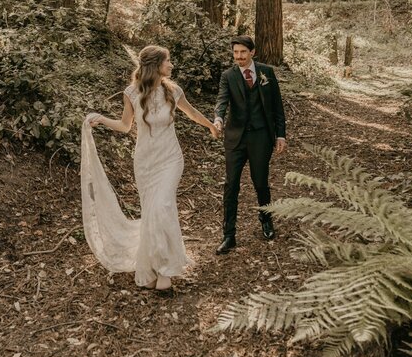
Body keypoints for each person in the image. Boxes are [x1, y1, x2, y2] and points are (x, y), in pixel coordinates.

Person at [81, 45, 218, 291]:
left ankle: (166, 271)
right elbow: (125, 126)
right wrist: (101, 119)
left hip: (170, 159)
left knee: (163, 206)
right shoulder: (132, 93)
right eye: (168, 61)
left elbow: (192, 112)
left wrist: (210, 126)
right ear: (155, 65)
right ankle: (152, 267)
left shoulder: (174, 91)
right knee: (152, 213)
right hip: (145, 162)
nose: (172, 65)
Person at [213, 35, 287, 255]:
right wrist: (218, 118)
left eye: (243, 52)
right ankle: (229, 235)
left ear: (252, 52)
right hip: (235, 138)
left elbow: (277, 107)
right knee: (231, 185)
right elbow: (222, 101)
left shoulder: (267, 73)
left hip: (261, 137)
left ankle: (266, 220)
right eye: (235, 53)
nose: (239, 57)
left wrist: (280, 135)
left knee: (261, 182)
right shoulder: (228, 76)